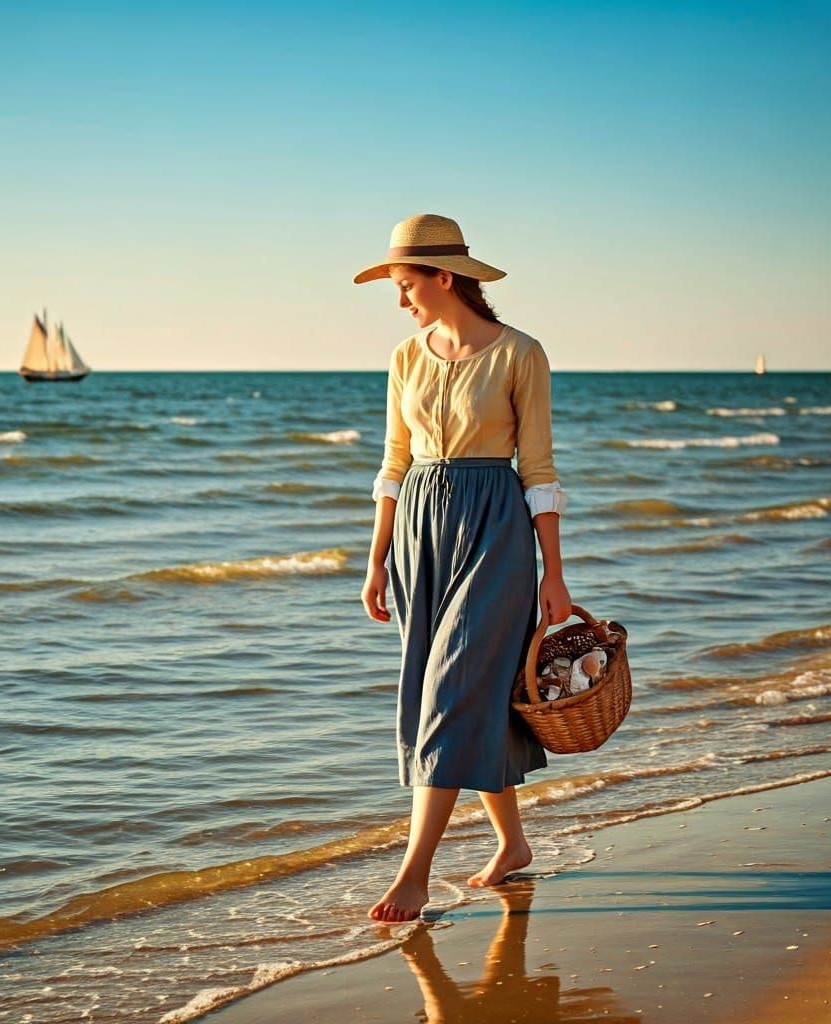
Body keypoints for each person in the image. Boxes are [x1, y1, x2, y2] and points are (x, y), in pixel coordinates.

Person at [355, 213, 572, 924]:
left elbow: (537, 469)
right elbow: (392, 462)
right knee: (459, 694)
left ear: (444, 278)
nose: (401, 300)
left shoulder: (520, 354)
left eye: (406, 284)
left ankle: (414, 874)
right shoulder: (405, 356)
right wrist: (377, 555)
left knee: (449, 693)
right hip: (420, 529)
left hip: (495, 530)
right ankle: (511, 844)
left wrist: (554, 573)